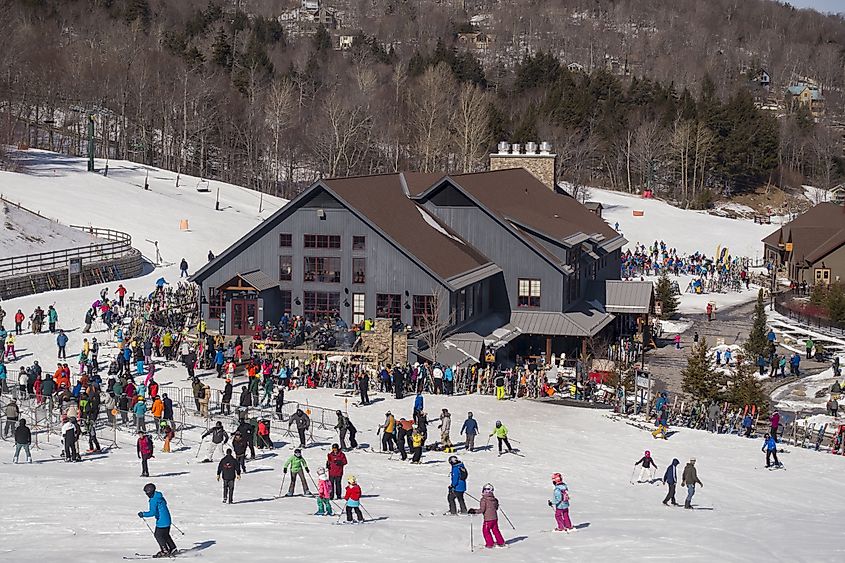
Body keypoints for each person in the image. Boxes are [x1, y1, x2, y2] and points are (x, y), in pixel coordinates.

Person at [138, 483, 177, 557]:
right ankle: (173, 548)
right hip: (167, 519)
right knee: (165, 535)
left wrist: (143, 514)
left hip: (162, 521)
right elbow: (165, 503)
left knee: (158, 535)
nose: (146, 494)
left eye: (146, 492)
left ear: (150, 492)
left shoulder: (153, 500)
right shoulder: (159, 496)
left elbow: (152, 512)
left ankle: (164, 551)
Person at [468, 483, 506, 549]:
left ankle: (490, 544)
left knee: (486, 531)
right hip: (494, 518)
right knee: (495, 530)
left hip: (488, 519)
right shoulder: (494, 499)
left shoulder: (484, 500)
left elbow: (482, 510)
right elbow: (496, 508)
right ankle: (501, 542)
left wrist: (474, 511)